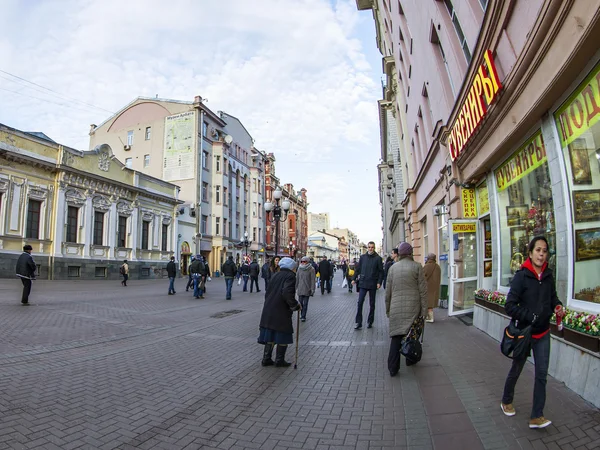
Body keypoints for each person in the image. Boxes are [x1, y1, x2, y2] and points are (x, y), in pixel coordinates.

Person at [501, 236, 564, 429]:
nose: (541, 254)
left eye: (544, 251)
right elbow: (509, 306)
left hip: (543, 333)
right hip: (525, 333)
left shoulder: (548, 275)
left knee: (541, 374)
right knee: (517, 369)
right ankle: (506, 400)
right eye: (538, 250)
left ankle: (537, 415)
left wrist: (558, 305)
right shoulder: (522, 276)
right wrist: (531, 316)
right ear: (530, 253)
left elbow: (552, 297)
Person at [385, 242, 427, 376]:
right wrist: (424, 311)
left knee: (396, 338)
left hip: (396, 307)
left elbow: (388, 293)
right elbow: (423, 291)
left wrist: (388, 310)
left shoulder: (393, 268)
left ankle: (393, 368)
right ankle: (410, 360)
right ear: (410, 253)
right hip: (413, 307)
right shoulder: (417, 267)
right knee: (412, 336)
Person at [257, 257, 301, 367]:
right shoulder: (290, 276)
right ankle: (279, 360)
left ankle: (266, 358)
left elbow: (268, 291)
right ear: (292, 267)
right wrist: (295, 305)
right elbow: (287, 292)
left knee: (270, 332)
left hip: (269, 307)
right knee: (282, 333)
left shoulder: (275, 275)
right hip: (281, 309)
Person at [352, 242, 384, 329]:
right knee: (360, 302)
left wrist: (379, 282)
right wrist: (354, 279)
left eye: (372, 247)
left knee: (372, 304)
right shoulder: (363, 257)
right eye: (369, 247)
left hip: (373, 283)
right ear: (367, 248)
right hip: (363, 283)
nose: (370, 249)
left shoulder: (378, 258)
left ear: (374, 248)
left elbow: (381, 272)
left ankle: (370, 321)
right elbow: (358, 269)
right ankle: (359, 322)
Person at [296, 256, 316, 322]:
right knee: (300, 303)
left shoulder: (311, 269)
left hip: (307, 289)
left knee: (305, 304)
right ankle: (301, 314)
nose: (303, 263)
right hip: (300, 288)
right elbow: (297, 278)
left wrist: (313, 289)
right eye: (302, 261)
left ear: (307, 262)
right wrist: (295, 287)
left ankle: (303, 316)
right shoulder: (299, 268)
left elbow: (313, 280)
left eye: (304, 261)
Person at [423, 253, 441, 323]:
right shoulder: (438, 266)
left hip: (428, 287)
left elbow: (422, 276)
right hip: (435, 287)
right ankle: (429, 317)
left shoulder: (427, 266)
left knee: (428, 303)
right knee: (431, 302)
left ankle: (431, 318)